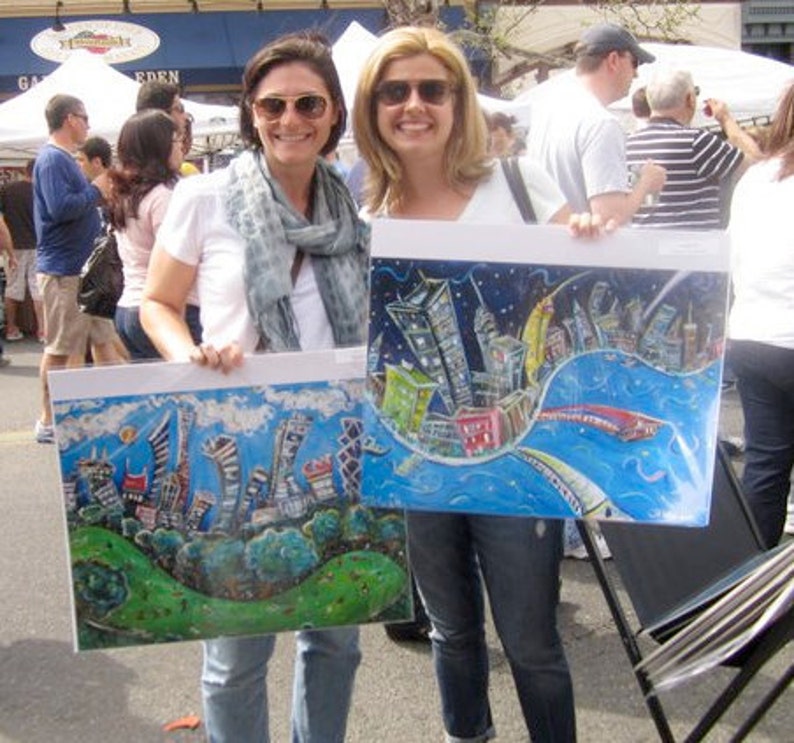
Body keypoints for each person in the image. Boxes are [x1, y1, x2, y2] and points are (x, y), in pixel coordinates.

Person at [351, 26, 608, 743]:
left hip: (514, 455)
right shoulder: (365, 209)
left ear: (459, 101)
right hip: (416, 455)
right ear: (371, 108)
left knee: (530, 639)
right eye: (393, 91)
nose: (413, 105)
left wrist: (589, 234)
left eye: (432, 89)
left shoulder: (520, 184)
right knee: (451, 629)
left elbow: (581, 296)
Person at [140, 32, 366, 742]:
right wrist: (190, 354)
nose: (289, 118)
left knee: (334, 639)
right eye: (273, 104)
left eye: (308, 103)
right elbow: (157, 303)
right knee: (236, 651)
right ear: (251, 111)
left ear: (332, 113)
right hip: (233, 429)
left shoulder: (356, 212)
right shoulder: (206, 196)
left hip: (340, 441)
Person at [33, 94, 123, 444]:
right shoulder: (53, 159)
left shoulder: (59, 159)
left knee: (103, 342)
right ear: (70, 119)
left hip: (81, 270)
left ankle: (115, 406)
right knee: (58, 349)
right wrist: (95, 190)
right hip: (65, 270)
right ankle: (47, 419)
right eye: (84, 118)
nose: (87, 124)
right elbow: (60, 208)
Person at [727, 81, 794, 549]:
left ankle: (747, 590)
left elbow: (733, 255)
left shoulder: (756, 177)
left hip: (752, 334)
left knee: (766, 467)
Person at [526, 23, 666, 224]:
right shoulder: (601, 124)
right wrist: (646, 183)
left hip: (546, 247)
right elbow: (609, 219)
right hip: (582, 252)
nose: (636, 74)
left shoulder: (547, 112)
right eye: (634, 63)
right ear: (613, 60)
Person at [106, 109, 200, 360]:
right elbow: (175, 259)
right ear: (159, 147)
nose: (181, 148)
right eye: (177, 141)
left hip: (129, 307)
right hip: (169, 311)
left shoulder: (126, 192)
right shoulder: (164, 196)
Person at [627, 68, 760, 229]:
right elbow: (760, 166)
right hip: (693, 249)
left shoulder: (630, 144)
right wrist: (725, 119)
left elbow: (646, 204)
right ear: (690, 99)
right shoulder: (697, 142)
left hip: (643, 248)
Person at [1, 159, 44, 341]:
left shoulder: (7, 190)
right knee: (37, 289)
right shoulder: (40, 192)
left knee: (12, 288)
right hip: (37, 245)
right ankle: (42, 330)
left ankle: (11, 328)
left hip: (14, 245)